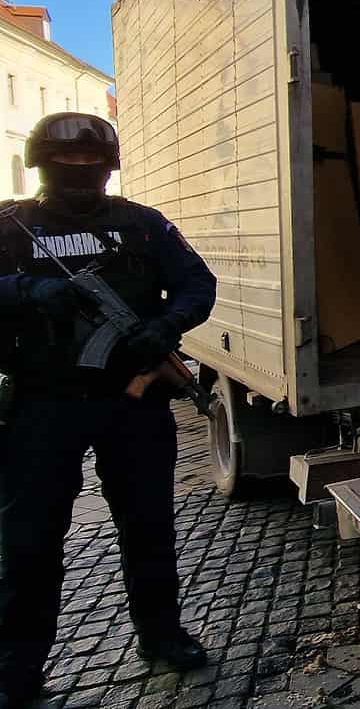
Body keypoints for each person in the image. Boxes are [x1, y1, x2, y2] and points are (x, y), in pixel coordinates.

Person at [0, 113, 217, 706]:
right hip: (42, 406)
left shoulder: (142, 226)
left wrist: (164, 326)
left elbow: (199, 285)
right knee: (29, 542)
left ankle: (162, 637)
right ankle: (17, 667)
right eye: (65, 168)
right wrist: (32, 293)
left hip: (133, 399)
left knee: (149, 527)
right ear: (41, 167)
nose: (78, 178)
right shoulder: (11, 227)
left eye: (89, 169)